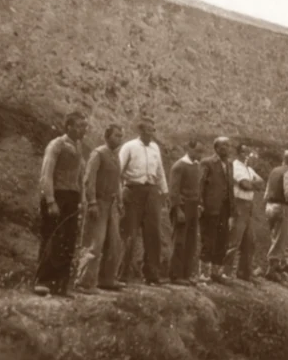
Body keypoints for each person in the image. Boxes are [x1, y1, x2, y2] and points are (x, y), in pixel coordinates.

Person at [34, 111, 88, 297]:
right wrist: (50, 200)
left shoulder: (79, 146)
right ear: (69, 127)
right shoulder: (57, 144)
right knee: (52, 238)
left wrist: (81, 200)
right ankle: (42, 281)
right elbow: (46, 174)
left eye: (85, 126)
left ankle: (61, 284)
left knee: (68, 241)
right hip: (57, 195)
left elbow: (80, 177)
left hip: (72, 198)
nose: (84, 129)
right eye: (80, 126)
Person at [73, 123, 125, 293]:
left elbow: (117, 181)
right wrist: (92, 202)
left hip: (111, 205)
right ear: (107, 136)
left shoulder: (115, 156)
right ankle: (84, 282)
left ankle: (107, 279)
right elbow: (89, 180)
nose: (120, 138)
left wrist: (119, 201)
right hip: (99, 203)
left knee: (114, 243)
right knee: (94, 243)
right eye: (117, 135)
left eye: (121, 135)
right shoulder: (98, 154)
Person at [117, 116, 168, 286]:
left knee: (153, 234)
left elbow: (160, 171)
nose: (151, 133)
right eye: (148, 130)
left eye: (153, 130)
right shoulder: (129, 147)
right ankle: (121, 275)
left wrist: (164, 192)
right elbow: (118, 170)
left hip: (152, 192)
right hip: (133, 191)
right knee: (129, 234)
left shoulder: (155, 148)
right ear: (140, 131)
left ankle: (152, 275)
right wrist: (119, 194)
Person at [225, 145, 265, 282]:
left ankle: (244, 272)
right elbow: (245, 185)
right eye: (244, 152)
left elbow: (261, 182)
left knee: (250, 240)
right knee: (234, 239)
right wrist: (253, 184)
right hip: (239, 203)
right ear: (238, 153)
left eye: (249, 152)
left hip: (248, 205)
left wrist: (252, 183)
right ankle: (226, 272)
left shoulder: (248, 168)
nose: (247, 154)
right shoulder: (236, 166)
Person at [168, 140, 204, 286]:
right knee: (179, 241)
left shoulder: (196, 166)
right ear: (189, 149)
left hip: (193, 207)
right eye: (197, 151)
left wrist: (199, 205)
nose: (200, 155)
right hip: (182, 207)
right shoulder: (179, 166)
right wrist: (178, 210)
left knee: (191, 241)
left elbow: (197, 188)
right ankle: (175, 275)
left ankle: (186, 274)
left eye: (201, 152)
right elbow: (173, 191)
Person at [199, 137, 234, 283]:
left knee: (222, 239)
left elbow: (230, 187)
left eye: (228, 145)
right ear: (216, 148)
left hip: (225, 208)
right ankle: (203, 273)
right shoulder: (207, 163)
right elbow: (200, 184)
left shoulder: (229, 164)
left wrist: (232, 210)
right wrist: (200, 203)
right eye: (222, 145)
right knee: (208, 238)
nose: (225, 148)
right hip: (210, 207)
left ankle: (216, 272)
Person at [265, 150, 288, 282]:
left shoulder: (274, 170)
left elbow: (267, 191)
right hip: (282, 207)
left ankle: (273, 266)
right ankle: (272, 270)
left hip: (270, 205)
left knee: (274, 236)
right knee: (281, 239)